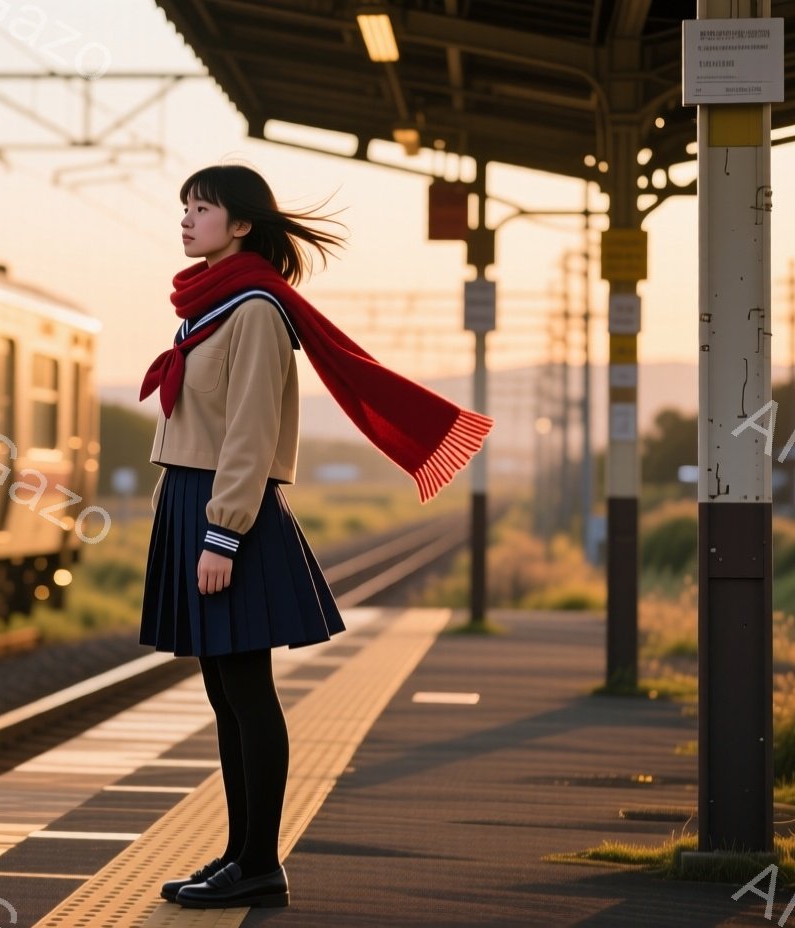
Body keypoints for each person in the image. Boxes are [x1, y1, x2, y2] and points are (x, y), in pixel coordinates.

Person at [138, 163, 494, 910]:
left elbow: (251, 429)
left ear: (240, 225)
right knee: (222, 690)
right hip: (194, 498)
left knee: (246, 688)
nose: (187, 219)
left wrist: (223, 534)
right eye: (185, 207)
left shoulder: (254, 310)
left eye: (201, 208)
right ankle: (236, 854)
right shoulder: (211, 304)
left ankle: (260, 862)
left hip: (226, 508)